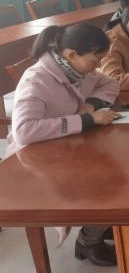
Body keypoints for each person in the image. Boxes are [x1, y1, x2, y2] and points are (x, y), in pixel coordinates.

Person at [3, 23, 121, 267]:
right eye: (95, 60)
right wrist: (86, 120)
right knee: (105, 178)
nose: (98, 66)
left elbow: (111, 84)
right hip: (31, 161)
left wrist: (92, 105)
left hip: (65, 146)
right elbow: (24, 131)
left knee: (118, 166)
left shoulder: (79, 71)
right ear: (71, 54)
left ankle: (97, 226)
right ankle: (89, 239)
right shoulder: (36, 80)